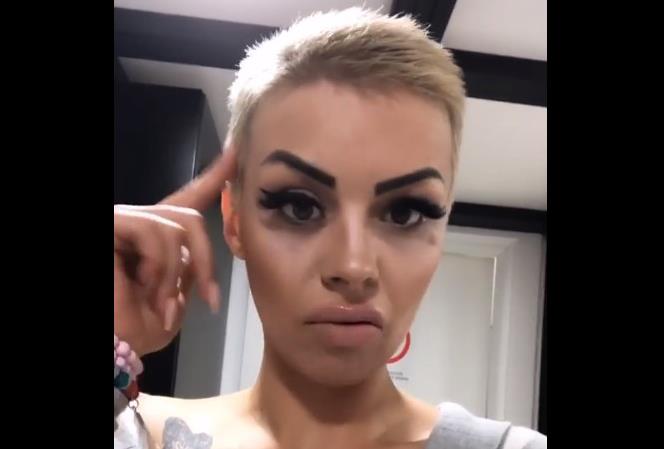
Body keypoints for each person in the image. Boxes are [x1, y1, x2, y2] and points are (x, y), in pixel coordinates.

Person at [114, 7, 547, 449]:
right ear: (235, 220)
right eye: (299, 207)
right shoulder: (136, 434)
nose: (353, 267)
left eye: (405, 213)